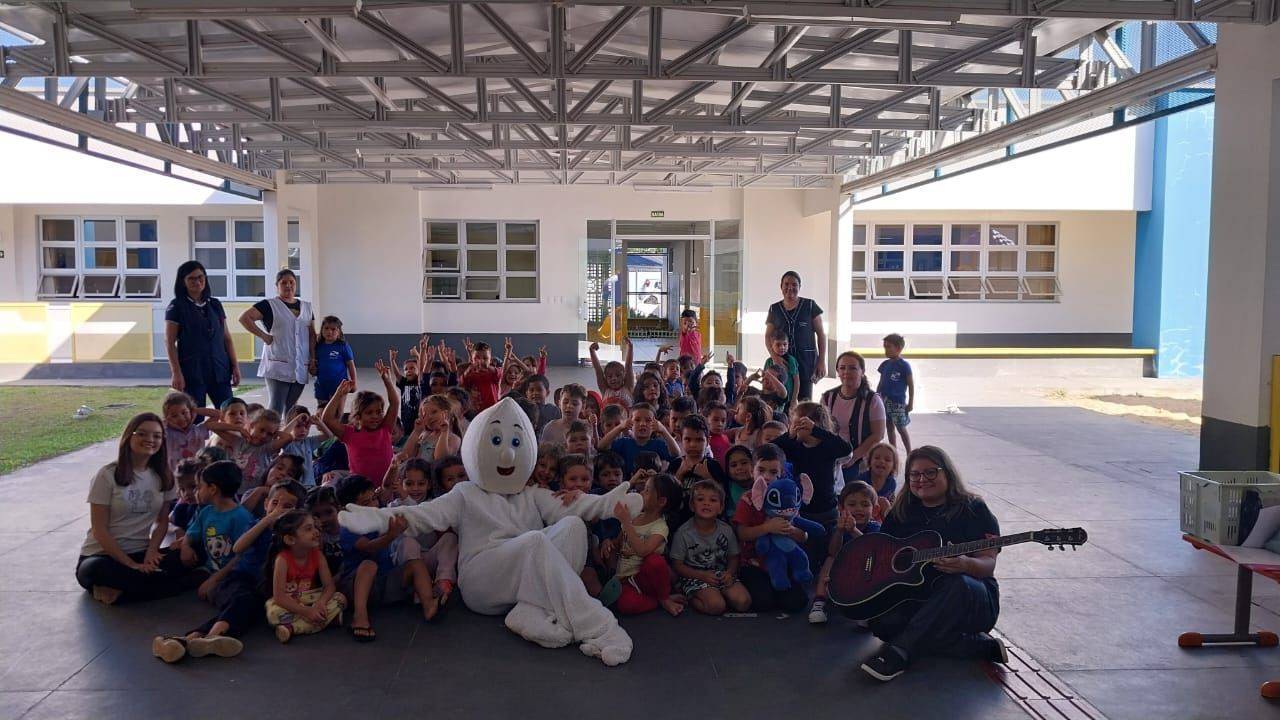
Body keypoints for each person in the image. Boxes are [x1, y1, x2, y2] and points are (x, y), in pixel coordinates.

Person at [859, 446, 1006, 682]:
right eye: (915, 474)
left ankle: (899, 652)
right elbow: (883, 553)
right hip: (922, 598)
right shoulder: (903, 511)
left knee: (956, 582)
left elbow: (988, 563)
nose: (922, 480)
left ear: (947, 473)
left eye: (930, 472)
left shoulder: (974, 509)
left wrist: (966, 564)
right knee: (882, 625)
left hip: (971, 598)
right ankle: (977, 647)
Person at [75, 413, 197, 605]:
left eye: (157, 436)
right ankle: (174, 585)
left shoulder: (164, 476)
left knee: (188, 556)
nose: (150, 440)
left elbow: (162, 521)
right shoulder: (107, 475)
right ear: (129, 437)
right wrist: (130, 564)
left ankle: (123, 591)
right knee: (93, 570)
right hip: (103, 556)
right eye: (142, 434)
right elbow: (99, 530)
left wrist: (152, 551)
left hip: (141, 551)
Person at [771, 402, 853, 570]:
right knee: (806, 550)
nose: (797, 427)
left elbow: (846, 450)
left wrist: (817, 432)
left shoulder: (828, 447)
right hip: (802, 510)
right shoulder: (793, 446)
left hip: (827, 510)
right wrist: (789, 435)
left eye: (802, 424)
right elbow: (771, 449)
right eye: (794, 424)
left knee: (826, 550)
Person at [733, 443, 809, 613]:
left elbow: (804, 535)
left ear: (782, 474)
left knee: (798, 603)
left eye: (773, 472)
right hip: (753, 564)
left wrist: (791, 530)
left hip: (783, 560)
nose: (766, 476)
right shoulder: (747, 499)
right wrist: (767, 527)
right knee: (763, 603)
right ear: (753, 470)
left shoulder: (788, 498)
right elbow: (742, 533)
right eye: (761, 470)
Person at [239, 269, 315, 416]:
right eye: (284, 282)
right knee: (276, 406)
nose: (288, 286)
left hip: (300, 364)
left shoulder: (307, 307)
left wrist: (313, 358)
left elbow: (312, 334)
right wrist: (263, 335)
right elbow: (244, 318)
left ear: (296, 284)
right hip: (277, 364)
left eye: (291, 282)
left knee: (292, 407)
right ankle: (270, 436)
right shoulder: (269, 305)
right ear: (277, 285)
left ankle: (289, 437)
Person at [165, 260, 240, 408]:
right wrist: (176, 372)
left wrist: (235, 366)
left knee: (228, 412)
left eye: (200, 277)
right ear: (183, 282)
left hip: (219, 369)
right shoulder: (176, 306)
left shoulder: (215, 304)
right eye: (191, 278)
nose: (197, 281)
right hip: (192, 371)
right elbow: (169, 342)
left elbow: (227, 338)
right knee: (194, 416)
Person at [265, 510, 347, 644]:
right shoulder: (282, 560)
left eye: (315, 527)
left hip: (311, 596)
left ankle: (292, 628)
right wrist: (306, 611)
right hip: (290, 600)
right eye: (308, 529)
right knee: (273, 611)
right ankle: (326, 620)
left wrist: (320, 604)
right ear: (290, 539)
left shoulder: (318, 555)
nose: (316, 532)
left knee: (340, 598)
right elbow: (279, 596)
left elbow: (329, 586)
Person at [670, 480, 750, 616]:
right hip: (694, 577)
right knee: (716, 606)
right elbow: (677, 565)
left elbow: (734, 556)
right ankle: (691, 596)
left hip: (721, 575)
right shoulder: (683, 533)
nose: (706, 503)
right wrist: (701, 576)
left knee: (743, 602)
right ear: (692, 505)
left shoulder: (726, 530)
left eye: (713, 500)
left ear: (721, 507)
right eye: (700, 499)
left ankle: (718, 593)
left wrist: (729, 573)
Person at [610, 472, 684, 616]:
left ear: (661, 502)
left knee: (655, 561)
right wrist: (610, 544)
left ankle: (664, 598)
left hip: (646, 578)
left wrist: (625, 522)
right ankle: (657, 601)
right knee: (626, 605)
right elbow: (620, 542)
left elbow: (642, 551)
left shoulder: (660, 527)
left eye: (647, 490)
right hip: (626, 580)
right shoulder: (633, 516)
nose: (641, 492)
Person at [808, 481, 880, 624]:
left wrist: (853, 530)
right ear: (841, 508)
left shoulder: (875, 527)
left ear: (875, 510)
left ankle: (866, 608)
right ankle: (819, 602)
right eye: (852, 505)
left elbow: (871, 548)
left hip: (864, 571)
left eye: (865, 505)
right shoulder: (837, 526)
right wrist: (840, 531)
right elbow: (833, 551)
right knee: (830, 559)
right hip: (842, 572)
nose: (858, 509)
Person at [320, 361, 400, 486]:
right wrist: (339, 393)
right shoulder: (349, 434)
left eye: (379, 412)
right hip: (359, 489)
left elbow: (394, 403)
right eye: (369, 413)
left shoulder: (385, 428)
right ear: (358, 416)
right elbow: (327, 419)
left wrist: (387, 381)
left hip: (386, 487)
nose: (375, 416)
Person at [822, 351, 886, 483]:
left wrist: (854, 457)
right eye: (842, 368)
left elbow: (878, 435)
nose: (846, 372)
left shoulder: (872, 400)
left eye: (853, 368)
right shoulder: (827, 397)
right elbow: (821, 428)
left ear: (862, 371)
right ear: (837, 371)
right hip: (832, 458)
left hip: (859, 460)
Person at [764, 271, 826, 401]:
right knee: (783, 399)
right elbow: (767, 336)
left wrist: (821, 361)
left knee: (805, 400)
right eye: (786, 284)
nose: (790, 288)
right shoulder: (774, 309)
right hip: (783, 361)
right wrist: (774, 357)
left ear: (799, 287)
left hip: (806, 361)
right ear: (781, 286)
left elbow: (821, 334)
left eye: (794, 284)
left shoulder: (810, 306)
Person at [878, 334, 915, 456]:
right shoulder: (885, 364)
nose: (886, 350)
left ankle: (910, 452)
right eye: (885, 347)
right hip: (884, 401)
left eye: (889, 347)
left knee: (901, 428)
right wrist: (877, 396)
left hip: (898, 403)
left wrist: (910, 403)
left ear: (898, 348)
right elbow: (881, 381)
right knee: (889, 427)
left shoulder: (904, 366)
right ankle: (893, 452)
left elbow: (911, 385)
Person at [312, 316, 356, 408]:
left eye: (333, 329)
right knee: (322, 411)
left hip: (339, 386)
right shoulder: (318, 346)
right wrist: (312, 369)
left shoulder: (343, 346)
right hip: (321, 386)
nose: (329, 332)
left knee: (337, 413)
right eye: (326, 328)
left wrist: (354, 382)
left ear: (339, 332)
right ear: (322, 329)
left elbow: (351, 365)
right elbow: (314, 363)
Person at [588, 338, 635, 408]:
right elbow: (598, 370)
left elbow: (628, 366)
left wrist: (630, 347)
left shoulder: (628, 387)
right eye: (610, 376)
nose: (614, 378)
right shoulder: (605, 390)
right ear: (605, 379)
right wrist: (592, 351)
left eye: (618, 375)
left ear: (624, 376)